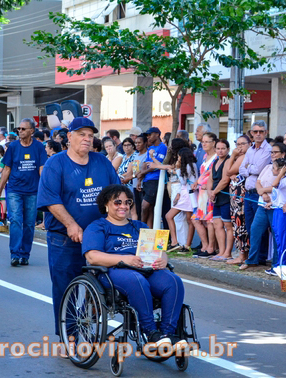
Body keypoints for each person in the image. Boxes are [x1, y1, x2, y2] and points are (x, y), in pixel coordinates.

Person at [36, 116, 120, 336]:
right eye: (82, 134)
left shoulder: (102, 162)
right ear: (69, 137)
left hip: (99, 237)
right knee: (66, 288)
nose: (87, 139)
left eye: (90, 136)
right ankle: (69, 336)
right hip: (64, 237)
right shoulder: (56, 163)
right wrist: (71, 225)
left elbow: (117, 196)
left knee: (106, 285)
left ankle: (89, 317)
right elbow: (51, 199)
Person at [83, 184, 187, 351]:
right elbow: (92, 257)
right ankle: (151, 333)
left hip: (144, 269)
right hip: (112, 271)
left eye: (127, 202)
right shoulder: (97, 227)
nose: (123, 206)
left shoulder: (139, 226)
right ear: (106, 205)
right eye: (117, 202)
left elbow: (160, 251)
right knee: (136, 281)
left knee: (173, 281)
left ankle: (167, 334)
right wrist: (124, 259)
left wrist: (163, 259)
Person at [0, 118, 48, 266]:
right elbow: (7, 169)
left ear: (32, 131)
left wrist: (45, 190)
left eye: (23, 129)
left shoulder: (38, 147)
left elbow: (42, 169)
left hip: (32, 190)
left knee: (29, 223)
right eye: (19, 128)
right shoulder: (13, 147)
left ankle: (25, 254)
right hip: (14, 190)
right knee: (16, 221)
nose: (20, 131)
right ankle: (15, 254)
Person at [241, 142, 286, 269]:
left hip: (276, 207)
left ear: (283, 154)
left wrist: (264, 190)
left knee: (276, 235)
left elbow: (277, 184)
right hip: (263, 203)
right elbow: (258, 182)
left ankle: (276, 264)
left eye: (275, 152)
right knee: (255, 229)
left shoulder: (285, 168)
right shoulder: (268, 167)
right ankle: (252, 260)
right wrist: (262, 193)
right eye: (271, 152)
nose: (272, 154)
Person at [240, 120, 272, 262]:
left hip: (260, 193)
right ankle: (255, 256)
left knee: (259, 228)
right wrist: (249, 168)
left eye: (261, 131)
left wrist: (249, 167)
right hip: (248, 192)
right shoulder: (250, 149)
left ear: (266, 133)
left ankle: (261, 257)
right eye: (255, 131)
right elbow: (242, 169)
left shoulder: (268, 149)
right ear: (251, 133)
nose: (258, 134)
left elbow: (259, 169)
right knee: (250, 226)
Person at [191, 132, 218, 257]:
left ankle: (211, 247)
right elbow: (203, 174)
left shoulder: (216, 157)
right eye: (203, 142)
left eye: (207, 141)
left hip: (209, 191)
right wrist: (197, 182)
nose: (204, 144)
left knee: (209, 220)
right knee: (197, 219)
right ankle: (205, 245)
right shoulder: (205, 157)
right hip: (201, 192)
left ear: (214, 143)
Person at [225, 135, 251, 264]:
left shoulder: (243, 157)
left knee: (240, 223)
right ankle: (241, 253)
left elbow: (228, 170)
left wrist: (232, 156)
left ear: (249, 144)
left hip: (241, 193)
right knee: (236, 222)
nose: (239, 147)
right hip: (235, 193)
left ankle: (243, 255)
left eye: (243, 144)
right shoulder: (239, 157)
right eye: (237, 144)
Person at [165, 147, 197, 252]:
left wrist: (178, 169)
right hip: (184, 193)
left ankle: (187, 245)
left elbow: (183, 182)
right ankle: (175, 242)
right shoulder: (190, 165)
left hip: (189, 194)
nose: (178, 158)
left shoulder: (189, 166)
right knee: (169, 216)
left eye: (179, 156)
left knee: (189, 220)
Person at [209, 139, 233, 260]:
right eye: (218, 148)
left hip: (225, 196)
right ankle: (221, 251)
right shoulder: (215, 162)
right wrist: (210, 192)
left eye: (223, 148)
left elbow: (225, 180)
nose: (220, 151)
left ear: (228, 149)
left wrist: (214, 191)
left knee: (228, 225)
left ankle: (228, 252)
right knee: (217, 224)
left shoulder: (228, 161)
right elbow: (211, 179)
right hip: (215, 197)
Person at [139, 126, 167, 224]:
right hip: (147, 180)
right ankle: (148, 232)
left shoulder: (163, 147)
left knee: (145, 206)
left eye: (150, 135)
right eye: (147, 135)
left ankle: (141, 227)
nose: (148, 137)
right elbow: (145, 164)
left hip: (155, 180)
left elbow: (156, 165)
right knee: (149, 209)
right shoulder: (150, 148)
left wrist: (141, 173)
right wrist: (140, 179)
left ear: (157, 134)